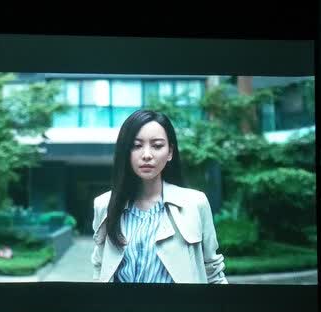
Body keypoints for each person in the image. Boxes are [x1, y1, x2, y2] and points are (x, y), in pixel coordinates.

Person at [91, 110, 228, 284]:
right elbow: (99, 269)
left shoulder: (195, 204)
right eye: (136, 145)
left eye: (157, 146)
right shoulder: (104, 205)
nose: (147, 155)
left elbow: (213, 272)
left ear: (170, 152)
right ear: (125, 152)